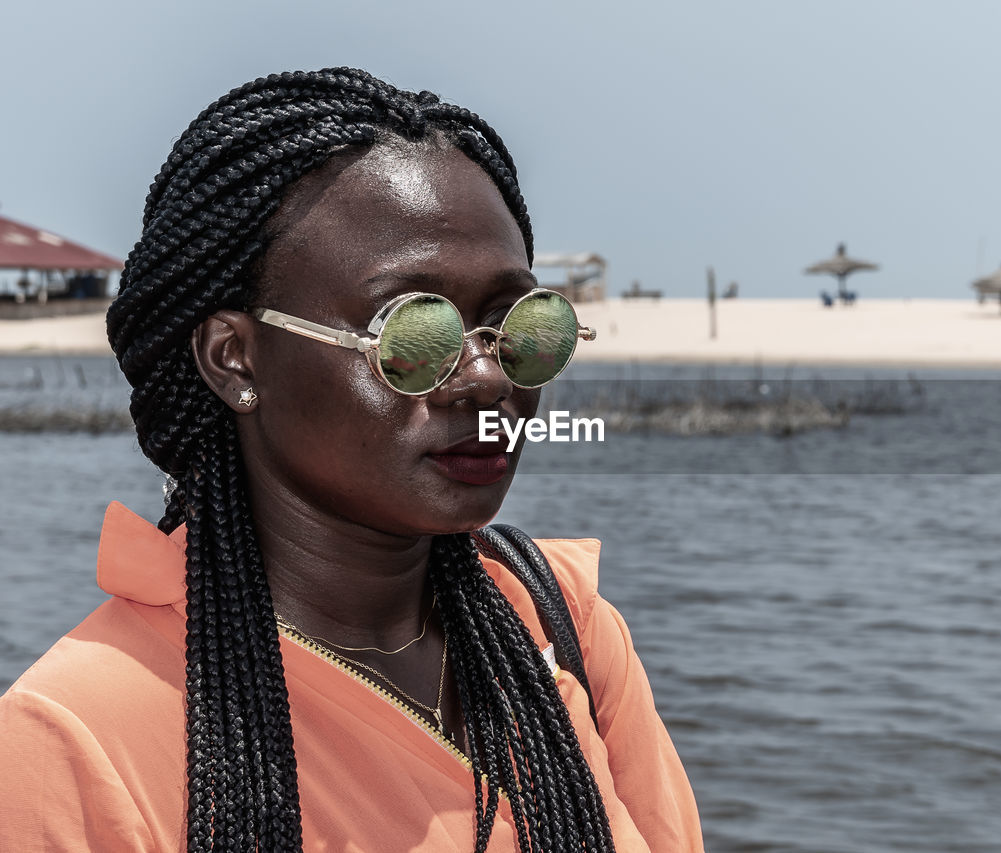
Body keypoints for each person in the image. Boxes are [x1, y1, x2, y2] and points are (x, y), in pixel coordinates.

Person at [0, 67, 702, 852]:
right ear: (236, 359)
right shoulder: (76, 740)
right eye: (413, 335)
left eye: (519, 328)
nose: (485, 376)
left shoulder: (557, 624)